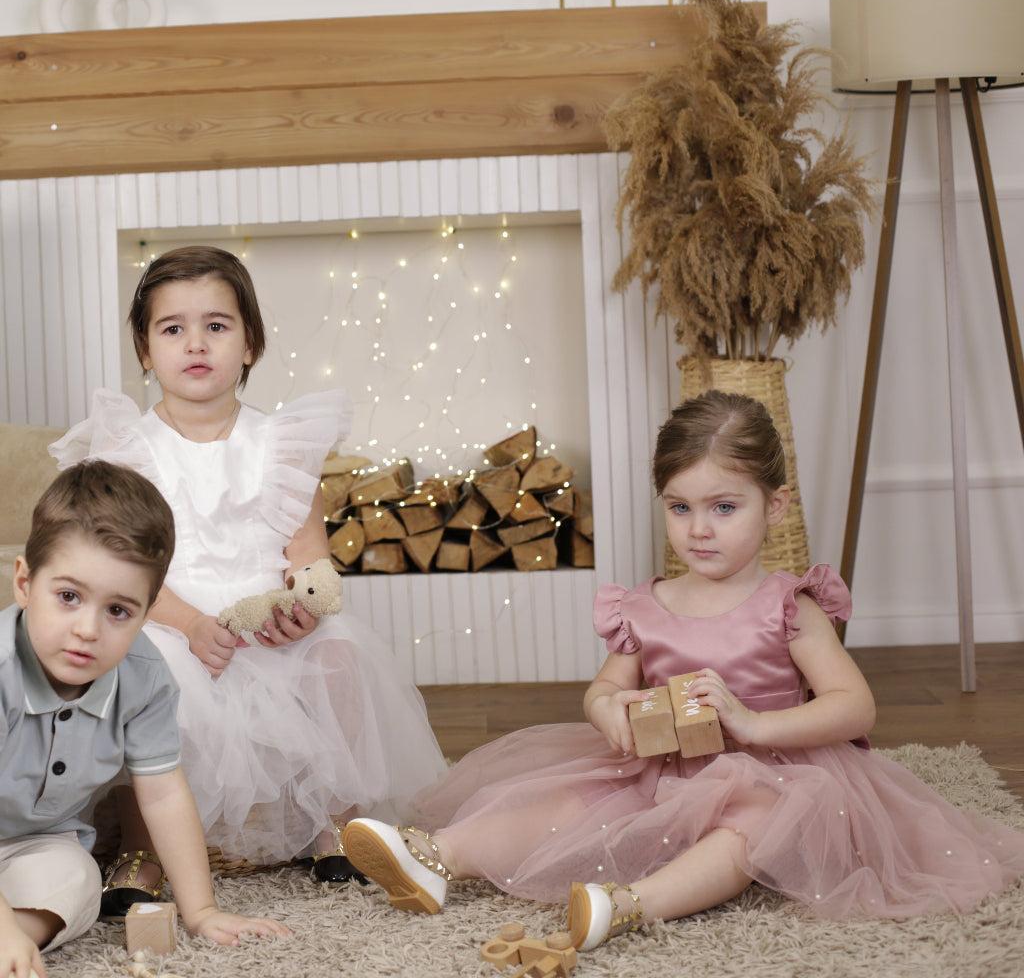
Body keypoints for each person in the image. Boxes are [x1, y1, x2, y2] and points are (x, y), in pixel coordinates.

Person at [341, 390, 1024, 951]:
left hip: (777, 770)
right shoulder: (647, 606)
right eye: (680, 507)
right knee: (570, 800)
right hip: (663, 768)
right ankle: (436, 856)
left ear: (775, 506)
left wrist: (752, 724)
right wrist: (608, 710)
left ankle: (630, 904)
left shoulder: (788, 605)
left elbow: (854, 705)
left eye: (724, 507)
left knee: (753, 826)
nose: (699, 529)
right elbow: (606, 686)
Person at [50, 246, 445, 917]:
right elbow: (124, 572)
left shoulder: (280, 444)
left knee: (340, 656)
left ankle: (334, 824)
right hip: (168, 617)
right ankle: (145, 845)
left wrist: (303, 608)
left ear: (250, 343)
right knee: (150, 677)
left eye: (217, 325)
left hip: (264, 622)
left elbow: (308, 555)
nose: (195, 343)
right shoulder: (129, 451)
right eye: (172, 328)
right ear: (145, 351)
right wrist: (189, 624)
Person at [0, 461, 290, 978]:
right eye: (68, 597)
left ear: (146, 611)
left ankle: (16, 938)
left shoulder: (145, 676)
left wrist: (201, 911)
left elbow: (162, 794)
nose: (87, 629)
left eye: (118, 610)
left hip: (34, 842)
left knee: (78, 882)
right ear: (24, 583)